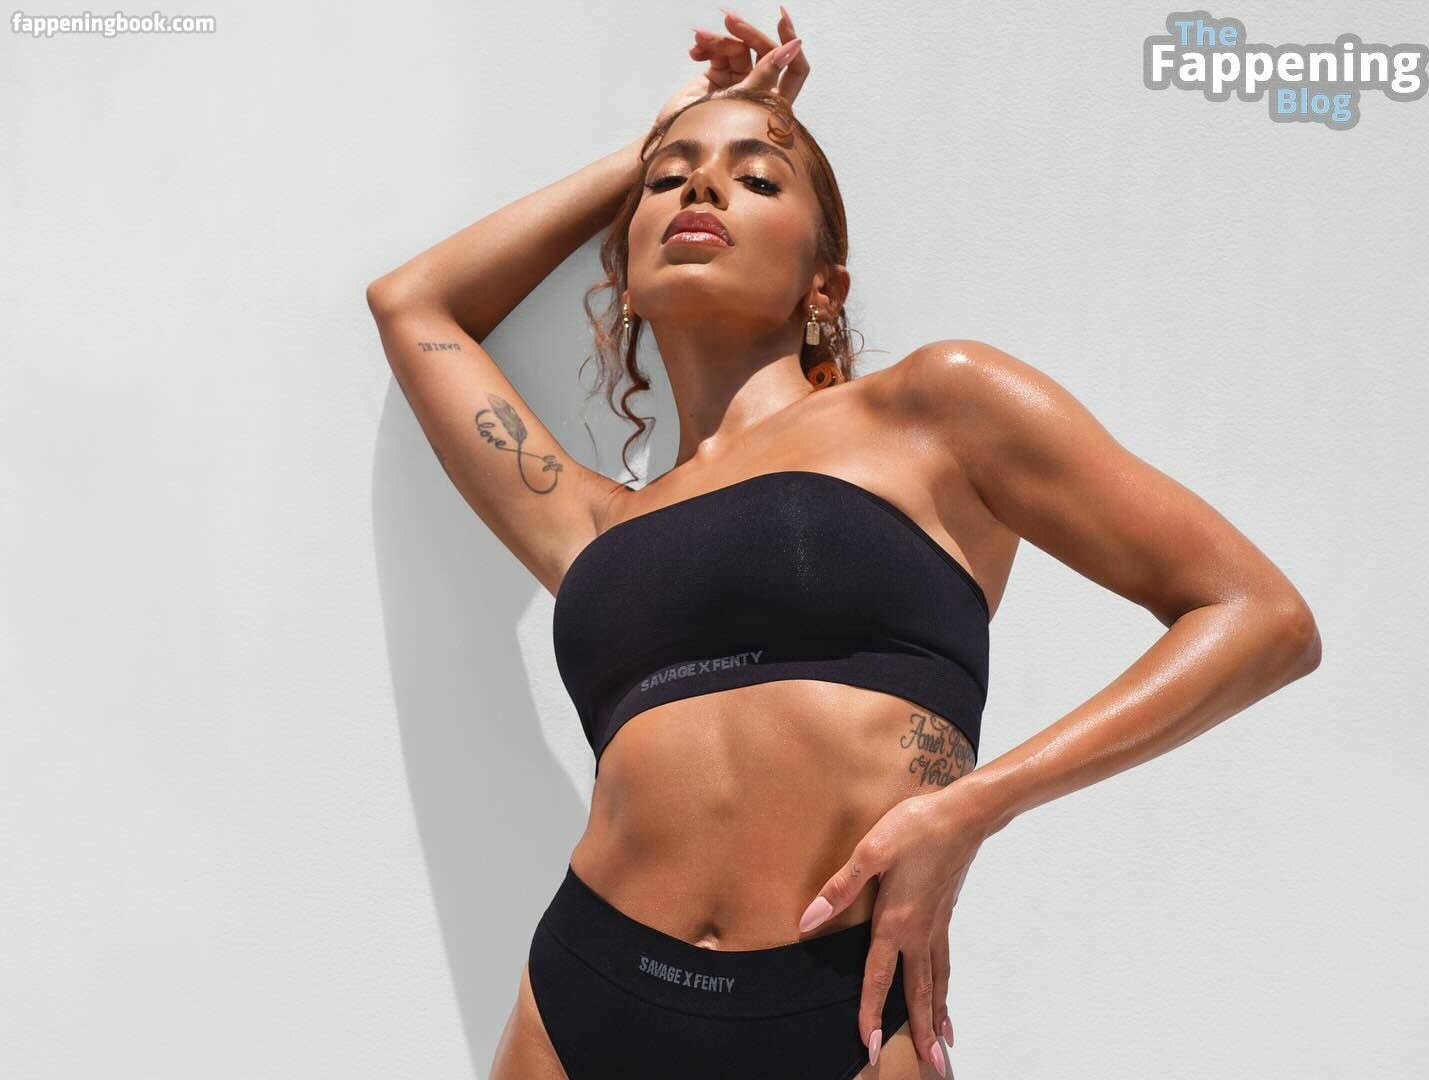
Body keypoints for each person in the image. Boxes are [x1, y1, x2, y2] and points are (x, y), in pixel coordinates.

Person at [366, 8, 1322, 1078]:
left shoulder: (935, 411)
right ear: (626, 279)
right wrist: (659, 136)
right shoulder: (592, 521)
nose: (700, 188)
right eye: (671, 181)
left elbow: (1261, 617)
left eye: (755, 178)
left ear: (824, 286)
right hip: (584, 997)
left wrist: (976, 808)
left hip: (847, 1012)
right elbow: (412, 304)